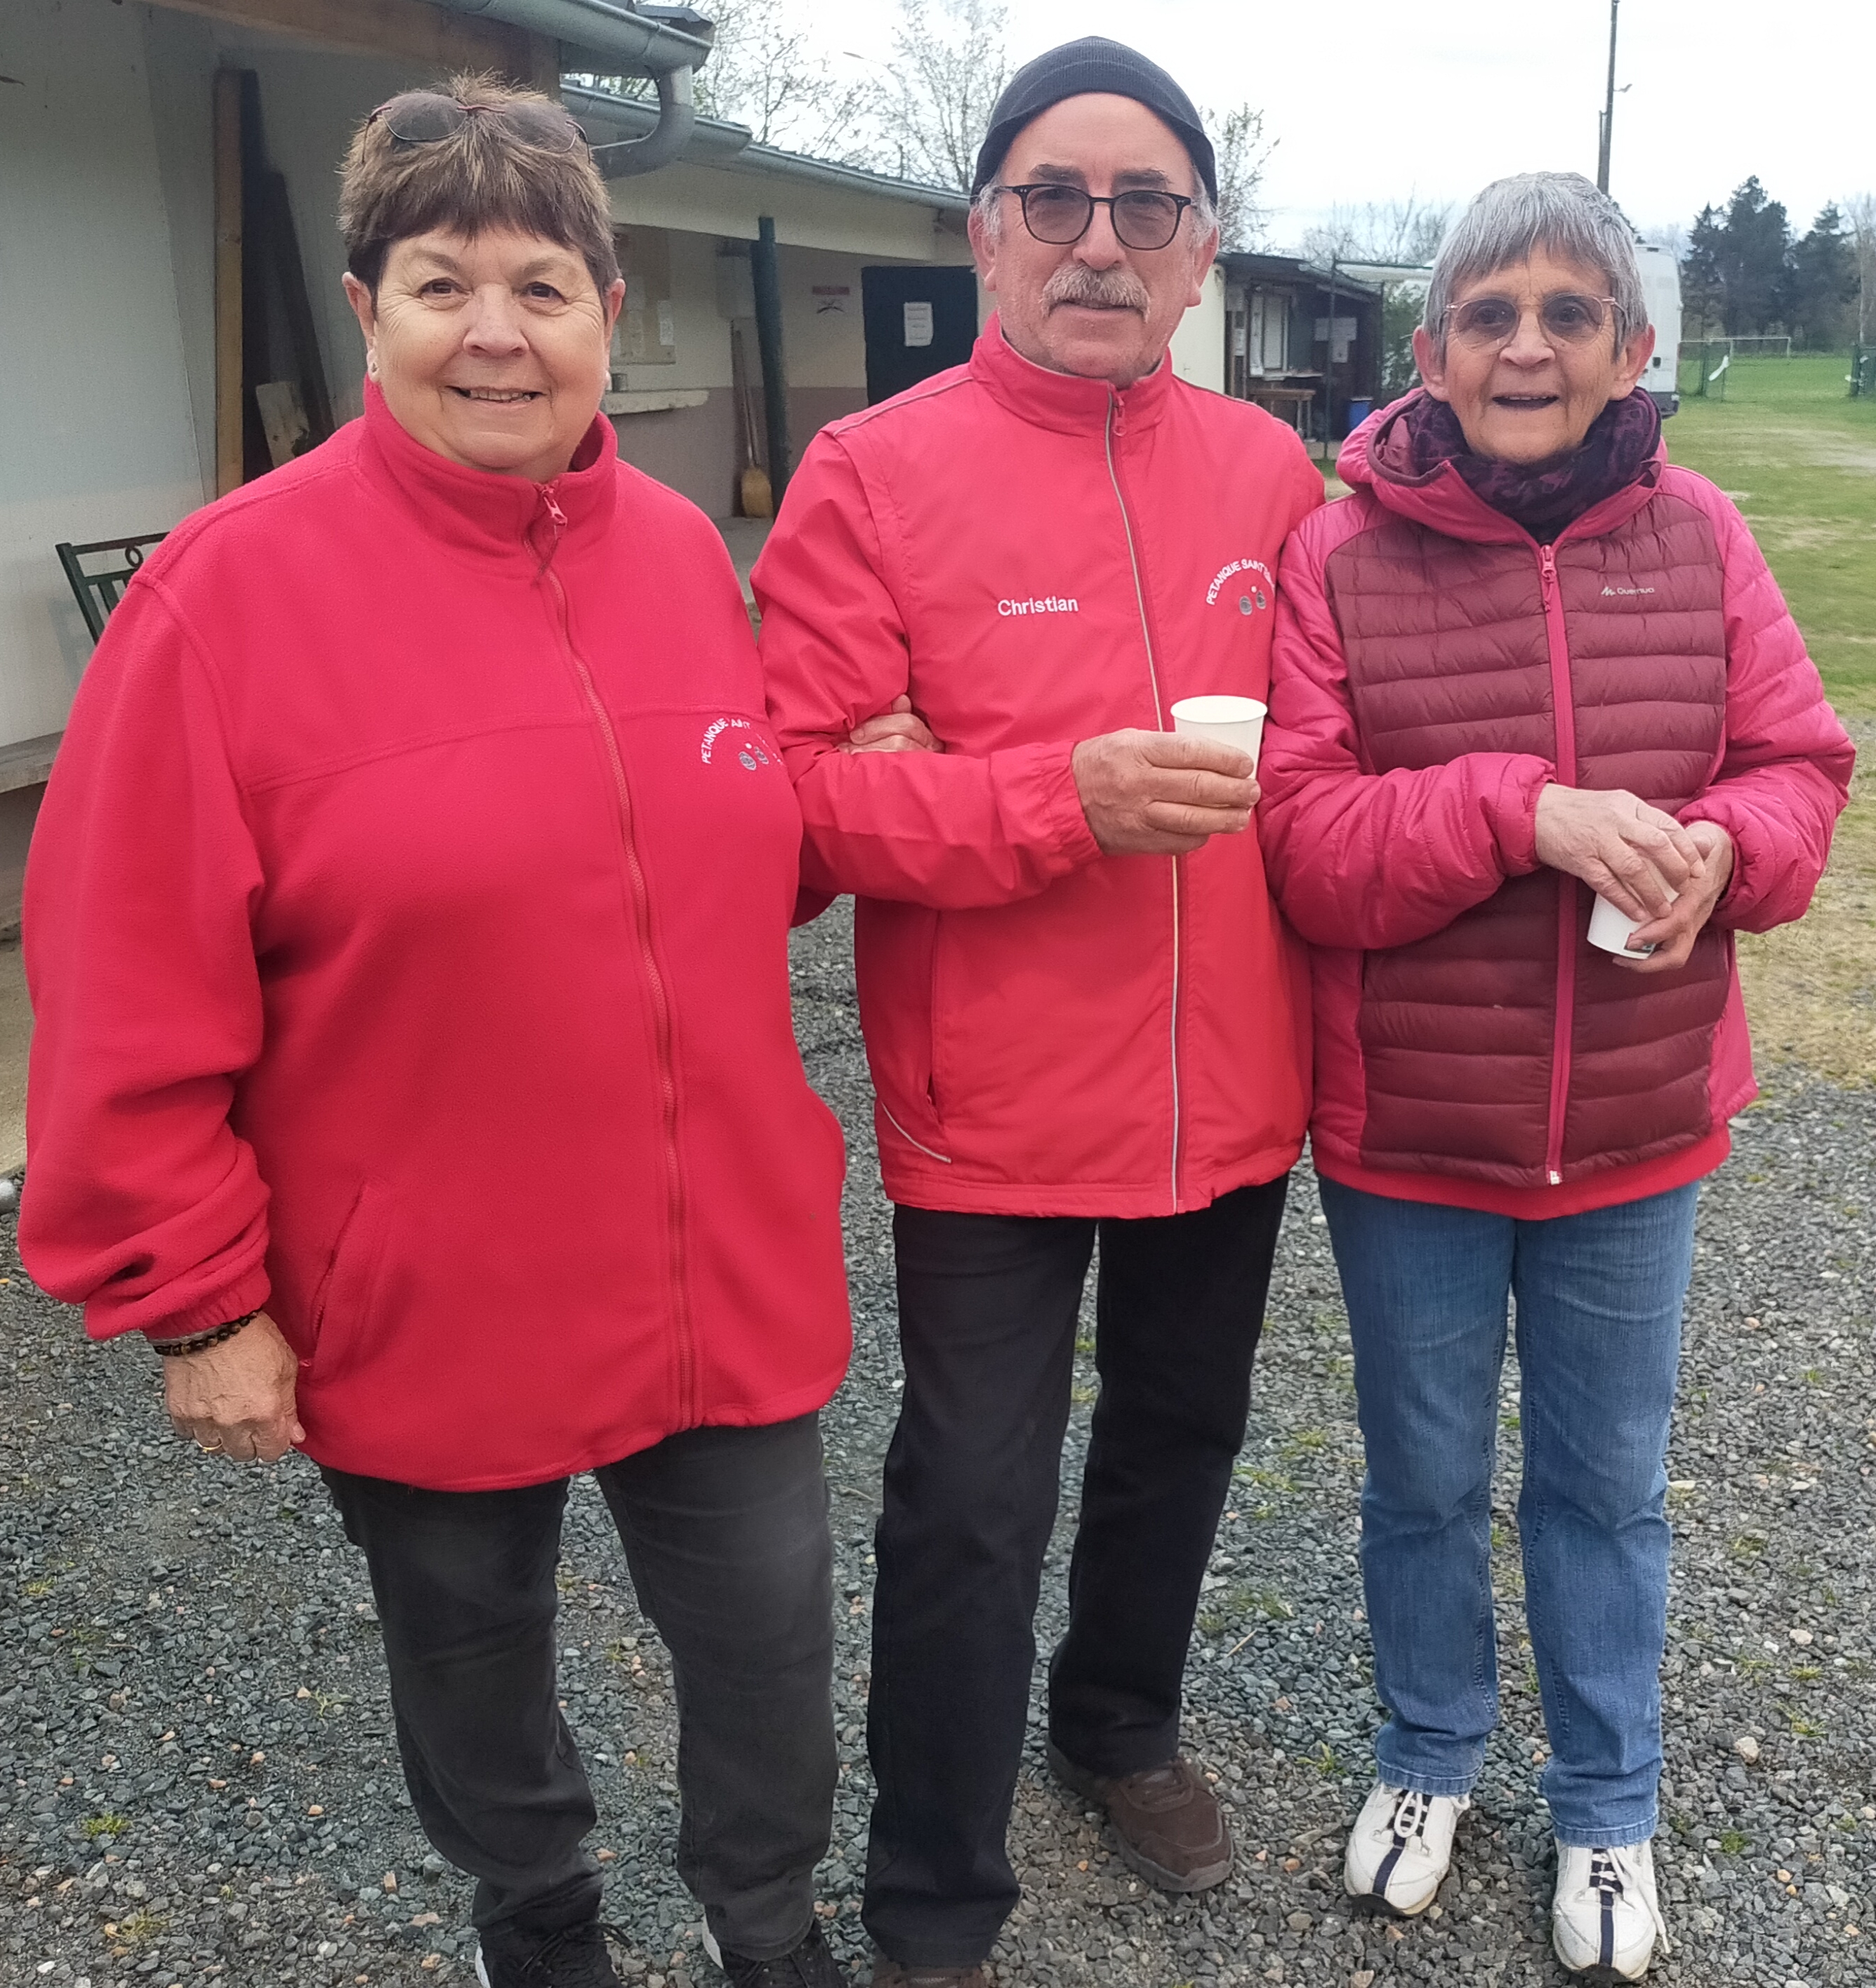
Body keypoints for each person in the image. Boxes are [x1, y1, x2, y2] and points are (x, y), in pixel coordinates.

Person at [20, 77, 854, 1988]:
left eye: (545, 282)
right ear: (365, 306)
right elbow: (121, 971)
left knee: (769, 1640)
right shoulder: (226, 597)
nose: (497, 329)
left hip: (713, 1266)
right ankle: (540, 1922)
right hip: (427, 1290)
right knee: (472, 1659)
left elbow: (721, 861)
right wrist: (201, 1298)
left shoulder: (680, 564)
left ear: (607, 311)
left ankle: (768, 1923)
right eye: (441, 281)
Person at [755, 39, 1324, 1988]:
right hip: (989, 1099)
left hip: (1235, 1086)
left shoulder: (1269, 469)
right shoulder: (871, 475)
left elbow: (1346, 749)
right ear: (983, 233)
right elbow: (800, 802)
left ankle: (1118, 1725)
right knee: (973, 1501)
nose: (1100, 239)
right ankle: (932, 1887)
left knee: (1182, 1433)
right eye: (1055, 200)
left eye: (1144, 204)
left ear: (1202, 252)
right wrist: (1039, 793)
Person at [1257, 171, 1854, 1982]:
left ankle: (1608, 1799)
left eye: (1568, 314)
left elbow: (1802, 770)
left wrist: (1722, 858)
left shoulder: (1707, 537)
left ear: (1631, 349)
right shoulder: (1338, 552)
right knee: (1422, 1480)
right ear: (1429, 349)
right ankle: (1430, 1753)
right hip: (1412, 1135)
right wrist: (1527, 810)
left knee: (1607, 1488)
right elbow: (1306, 841)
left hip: (1636, 1128)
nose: (1527, 343)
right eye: (1490, 313)